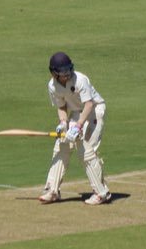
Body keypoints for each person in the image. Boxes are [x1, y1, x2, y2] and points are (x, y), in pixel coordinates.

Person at [38, 52, 112, 205]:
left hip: (95, 111)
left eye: (67, 70)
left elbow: (89, 104)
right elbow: (61, 106)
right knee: (62, 145)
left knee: (86, 149)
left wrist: (77, 127)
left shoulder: (80, 80)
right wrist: (63, 123)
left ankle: (101, 193)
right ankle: (52, 190)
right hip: (77, 113)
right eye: (62, 72)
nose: (66, 74)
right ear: (53, 73)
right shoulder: (52, 86)